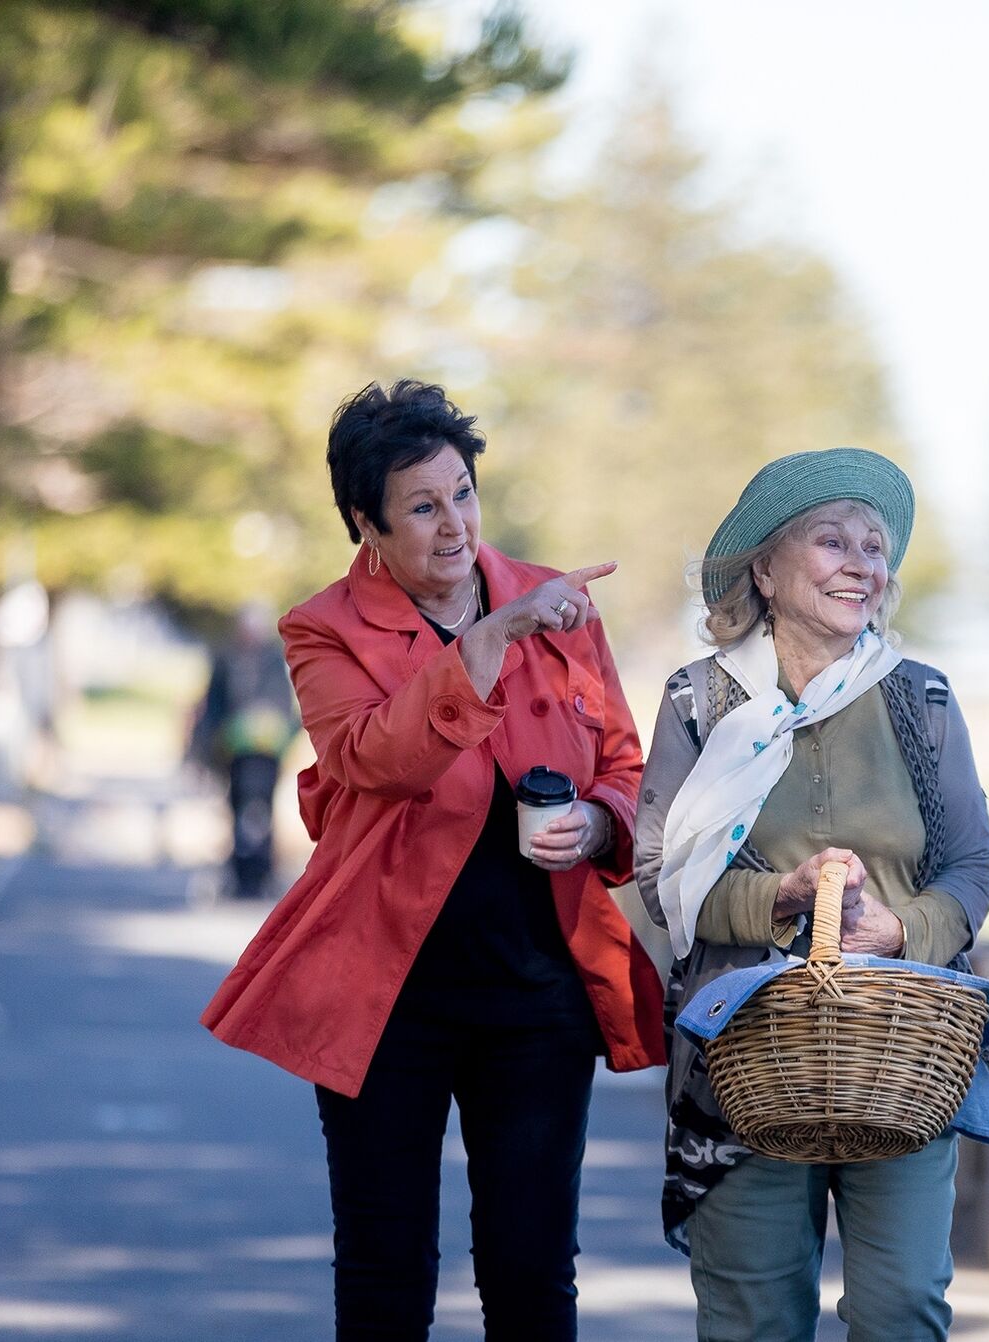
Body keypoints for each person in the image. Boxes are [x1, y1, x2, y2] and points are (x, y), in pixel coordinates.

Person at [200, 380, 664, 1341]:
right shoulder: (321, 629)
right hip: (384, 995)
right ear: (366, 524)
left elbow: (626, 765)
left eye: (463, 493)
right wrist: (492, 639)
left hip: (539, 993)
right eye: (421, 506)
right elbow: (369, 756)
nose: (453, 524)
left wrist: (598, 822)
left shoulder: (560, 602)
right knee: (385, 1269)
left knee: (534, 1271)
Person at [635, 448, 989, 1342]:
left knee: (903, 1306)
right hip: (742, 1056)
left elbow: (973, 867)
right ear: (764, 568)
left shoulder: (925, 701)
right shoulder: (699, 701)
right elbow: (659, 875)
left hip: (904, 1053)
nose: (860, 565)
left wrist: (899, 929)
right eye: (831, 542)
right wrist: (781, 900)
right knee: (754, 1317)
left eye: (873, 549)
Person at [190, 601, 299, 898]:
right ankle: (239, 873)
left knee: (261, 811)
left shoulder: (273, 660)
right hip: (234, 752)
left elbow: (283, 705)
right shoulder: (227, 659)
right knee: (237, 809)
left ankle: (262, 871)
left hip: (265, 753)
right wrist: (207, 745)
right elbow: (213, 704)